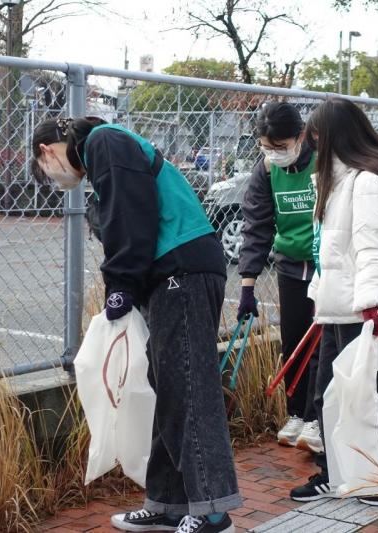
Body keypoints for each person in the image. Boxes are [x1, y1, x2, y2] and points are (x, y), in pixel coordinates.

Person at [32, 117, 240, 533]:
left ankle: (213, 510)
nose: (55, 178)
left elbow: (131, 213)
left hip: (183, 270)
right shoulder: (105, 150)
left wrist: (121, 283)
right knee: (169, 392)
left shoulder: (104, 142)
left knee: (188, 389)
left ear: (46, 151)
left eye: (46, 171)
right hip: (174, 274)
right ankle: (169, 503)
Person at [289, 98, 378, 506]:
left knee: (370, 395)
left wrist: (374, 306)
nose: (311, 145)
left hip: (362, 309)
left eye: (315, 137)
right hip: (340, 307)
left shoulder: (368, 182)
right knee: (328, 393)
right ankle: (335, 472)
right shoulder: (341, 181)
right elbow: (332, 251)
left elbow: (376, 248)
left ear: (334, 137)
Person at [236, 102, 321, 453]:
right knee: (293, 342)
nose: (275, 154)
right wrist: (247, 287)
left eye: (281, 146)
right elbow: (256, 228)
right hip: (291, 268)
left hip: (325, 269)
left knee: (321, 346)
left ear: (301, 136)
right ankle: (298, 414)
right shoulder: (267, 171)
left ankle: (319, 419)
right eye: (267, 148)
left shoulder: (324, 161)